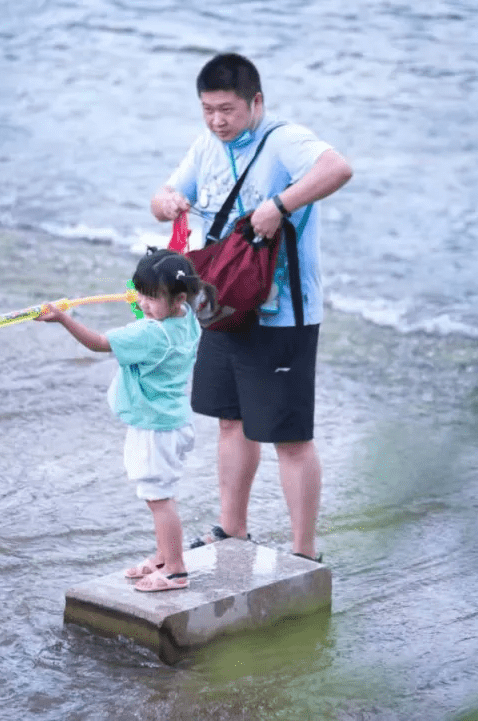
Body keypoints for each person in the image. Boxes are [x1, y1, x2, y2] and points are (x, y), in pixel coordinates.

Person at [150, 52, 353, 562]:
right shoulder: (206, 146)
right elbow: (163, 197)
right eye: (208, 109)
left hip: (283, 314)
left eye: (228, 109)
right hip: (222, 305)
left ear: (255, 102)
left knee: (289, 438)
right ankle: (232, 529)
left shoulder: (284, 140)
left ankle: (304, 555)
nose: (218, 120)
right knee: (229, 421)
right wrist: (168, 202)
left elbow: (338, 168)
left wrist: (281, 204)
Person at [35, 249, 213, 592]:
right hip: (171, 421)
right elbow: (149, 319)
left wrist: (64, 319)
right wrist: (147, 304)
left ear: (177, 298)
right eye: (140, 293)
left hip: (156, 429)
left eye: (151, 297)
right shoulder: (187, 316)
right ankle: (164, 555)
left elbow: (99, 343)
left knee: (159, 498)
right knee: (160, 494)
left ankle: (176, 570)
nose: (143, 303)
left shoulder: (152, 336)